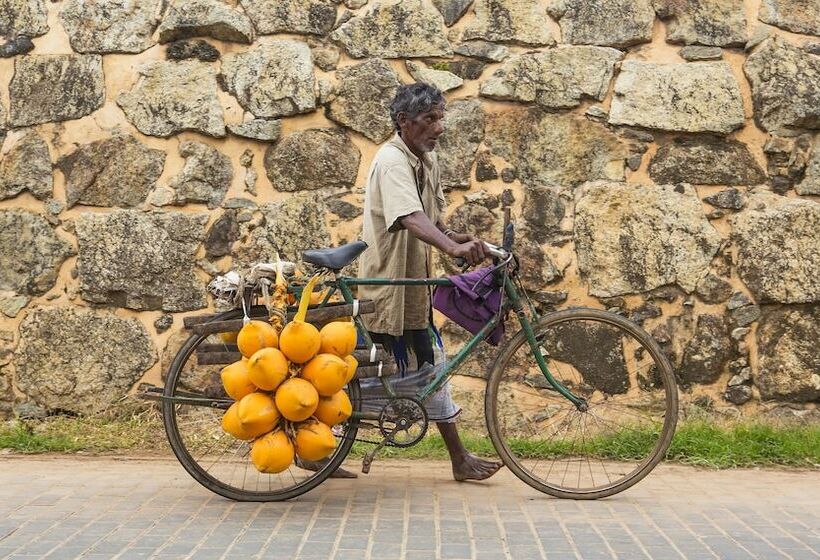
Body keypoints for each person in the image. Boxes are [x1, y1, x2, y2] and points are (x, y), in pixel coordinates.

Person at [356, 82, 503, 482]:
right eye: (430, 119)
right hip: (387, 281)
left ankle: (459, 459)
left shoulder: (426, 159)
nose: (439, 127)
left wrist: (458, 239)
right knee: (361, 370)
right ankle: (313, 448)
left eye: (441, 117)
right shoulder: (391, 160)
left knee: (425, 365)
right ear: (404, 122)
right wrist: (451, 251)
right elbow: (409, 218)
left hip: (412, 284)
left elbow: (432, 220)